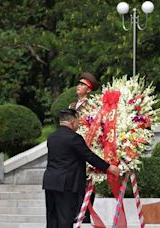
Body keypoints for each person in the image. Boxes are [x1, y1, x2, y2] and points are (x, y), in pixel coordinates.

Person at [42, 108, 119, 228]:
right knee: (65, 219)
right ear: (72, 122)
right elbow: (89, 156)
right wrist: (108, 167)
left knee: (52, 218)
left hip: (50, 182)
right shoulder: (74, 138)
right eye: (78, 122)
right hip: (67, 184)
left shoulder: (52, 137)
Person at [69, 72, 99, 223]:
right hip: (72, 147)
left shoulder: (93, 106)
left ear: (89, 89)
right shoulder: (72, 106)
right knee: (74, 179)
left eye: (82, 84)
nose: (78, 86)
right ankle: (76, 210)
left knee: (87, 180)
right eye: (79, 84)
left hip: (86, 145)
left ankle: (86, 213)